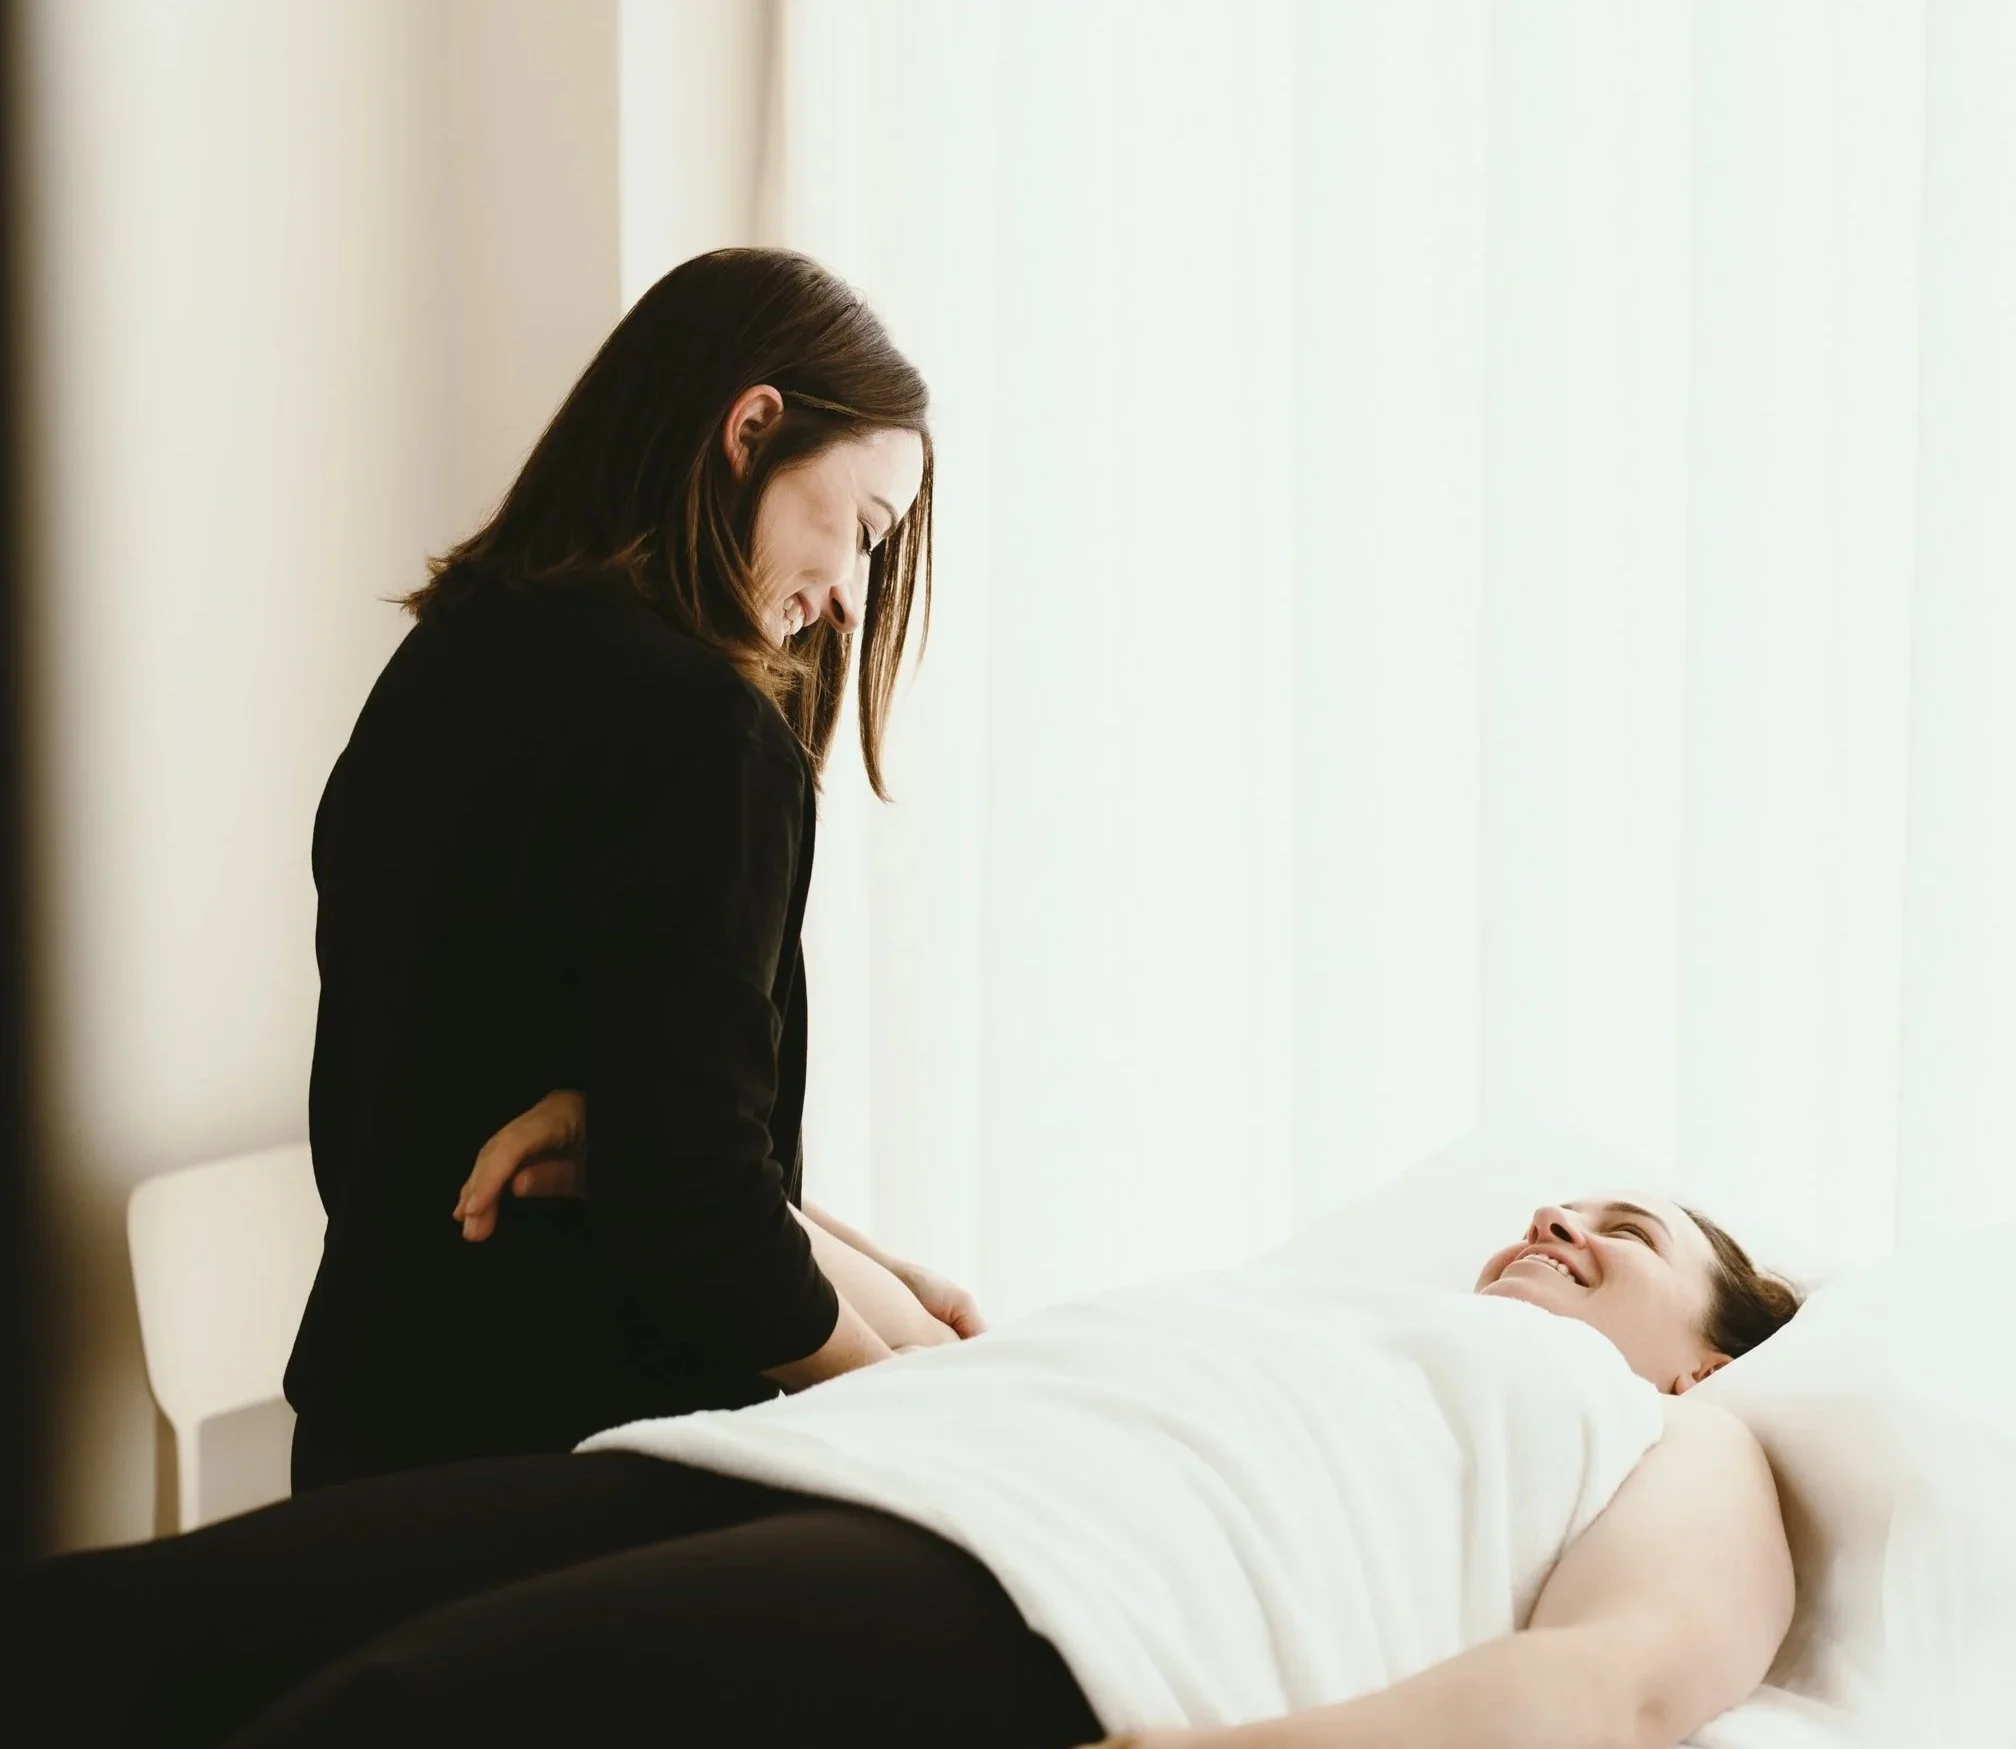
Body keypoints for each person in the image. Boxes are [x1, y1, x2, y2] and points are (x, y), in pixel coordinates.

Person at [26, 1194, 1805, 1749]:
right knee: (128, 1625)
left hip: (1051, 1586)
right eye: (1557, 1197)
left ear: (1703, 1343)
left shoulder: (1684, 1432)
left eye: (1624, 1226)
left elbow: (1621, 1683)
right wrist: (704, 1182)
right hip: (820, 1459)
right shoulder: (1322, 1319)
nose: (1556, 1215)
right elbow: (973, 1353)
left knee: (397, 1712)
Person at [285, 249, 980, 1492]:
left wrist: (854, 1265)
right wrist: (934, 1419)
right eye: (864, 533)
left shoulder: (440, 667)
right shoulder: (705, 734)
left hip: (367, 1445)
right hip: (575, 1472)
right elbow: (698, 1207)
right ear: (752, 425)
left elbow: (637, 1125)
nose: (847, 601)